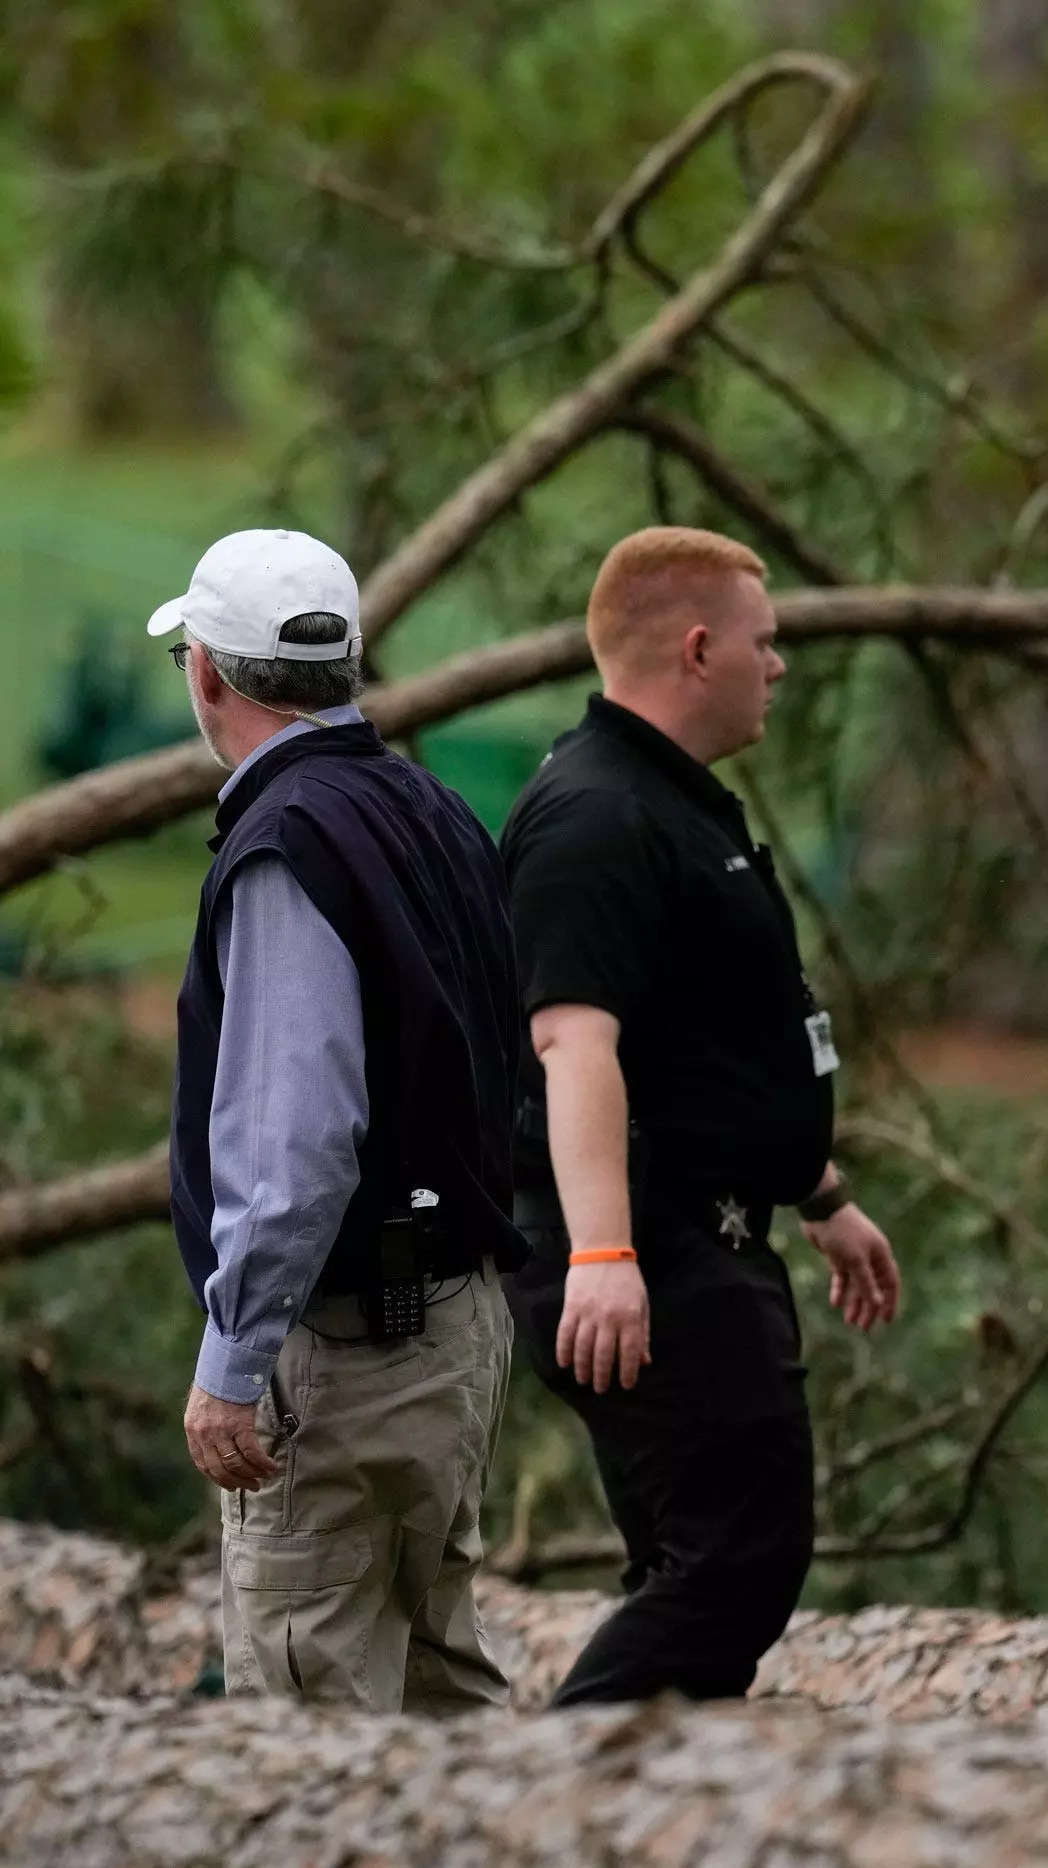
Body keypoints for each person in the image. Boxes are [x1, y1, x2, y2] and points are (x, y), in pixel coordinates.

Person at [499, 525, 902, 1704]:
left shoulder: (670, 802)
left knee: (698, 1563)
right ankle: (555, 1803)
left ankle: (645, 1815)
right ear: (695, 647)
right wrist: (605, 1251)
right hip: (650, 1248)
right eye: (762, 643)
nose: (777, 666)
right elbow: (573, 1044)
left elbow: (708, 1039)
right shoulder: (592, 816)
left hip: (702, 1232)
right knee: (735, 1560)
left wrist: (819, 1193)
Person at [153, 529, 526, 1711]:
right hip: (456, 1331)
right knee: (440, 1704)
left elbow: (297, 1141)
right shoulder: (429, 804)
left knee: (311, 1734)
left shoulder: (285, 845)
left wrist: (232, 1359)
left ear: (209, 672)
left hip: (344, 1352)